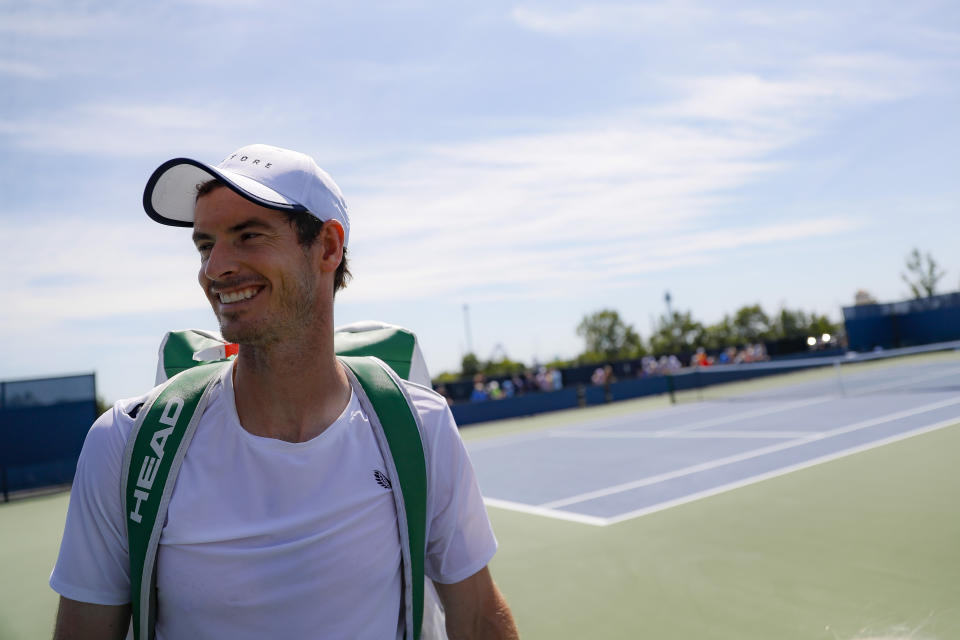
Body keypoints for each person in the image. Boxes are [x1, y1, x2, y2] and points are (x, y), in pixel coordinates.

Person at [49, 144, 518, 639]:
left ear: (328, 249)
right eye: (205, 245)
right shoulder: (126, 442)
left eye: (248, 235)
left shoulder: (421, 426)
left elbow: (478, 619)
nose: (215, 268)